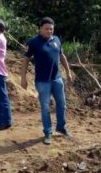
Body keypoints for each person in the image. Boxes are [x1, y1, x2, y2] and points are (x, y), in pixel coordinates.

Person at [21, 17, 74, 145]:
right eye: (46, 29)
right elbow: (26, 60)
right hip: (42, 81)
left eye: (51, 29)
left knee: (62, 104)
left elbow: (62, 56)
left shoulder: (56, 40)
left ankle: (61, 127)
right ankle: (48, 132)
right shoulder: (33, 42)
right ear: (40, 29)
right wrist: (23, 77)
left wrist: (68, 72)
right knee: (45, 107)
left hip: (57, 79)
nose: (49, 31)